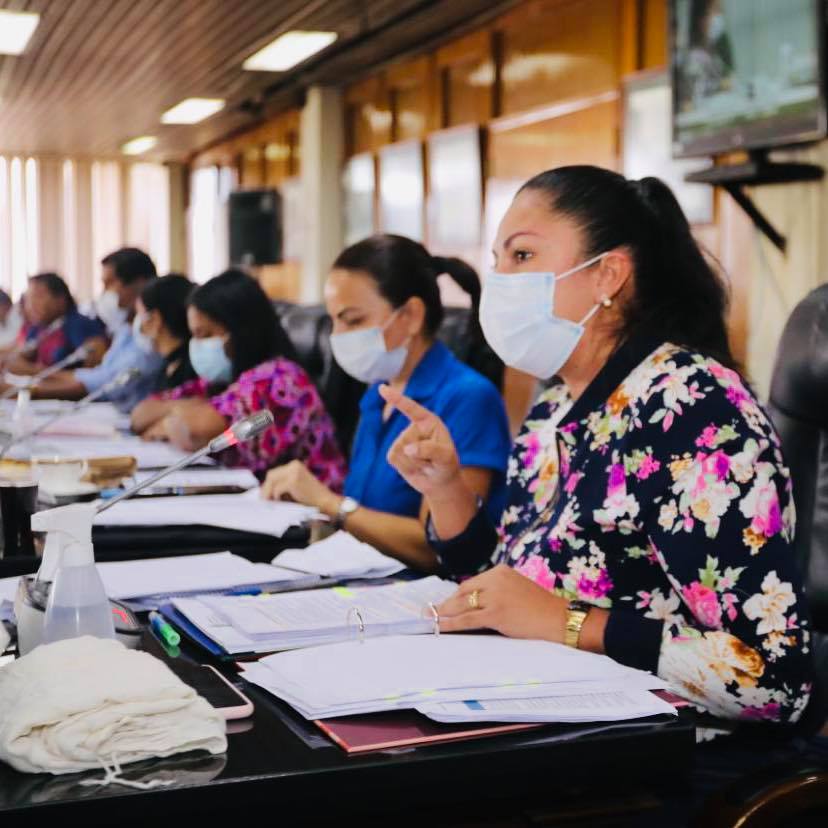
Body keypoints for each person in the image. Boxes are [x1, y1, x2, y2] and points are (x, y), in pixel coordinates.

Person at [381, 165, 814, 727]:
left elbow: (772, 681)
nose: (500, 281)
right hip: (541, 713)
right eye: (497, 260)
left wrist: (570, 623)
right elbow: (511, 589)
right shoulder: (553, 407)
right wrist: (446, 490)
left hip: (667, 745)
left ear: (607, 275)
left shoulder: (690, 407)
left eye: (522, 256)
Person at [261, 235, 511, 571]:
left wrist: (328, 501)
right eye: (333, 320)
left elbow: (438, 548)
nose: (337, 335)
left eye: (353, 320)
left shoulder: (469, 397)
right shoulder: (377, 394)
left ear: (411, 315)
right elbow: (364, 510)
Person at [131, 269, 345, 486]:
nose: (196, 344)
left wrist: (174, 415)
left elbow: (196, 429)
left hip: (310, 504)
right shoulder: (221, 381)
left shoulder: (281, 379)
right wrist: (181, 410)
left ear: (239, 330)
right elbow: (140, 416)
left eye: (204, 334)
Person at [26, 248, 162, 410]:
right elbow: (102, 374)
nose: (104, 292)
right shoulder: (126, 329)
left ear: (140, 284)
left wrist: (31, 387)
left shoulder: (151, 336)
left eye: (110, 283)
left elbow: (105, 384)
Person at [5, 273, 104, 374]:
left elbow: (92, 375)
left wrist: (32, 370)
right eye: (28, 299)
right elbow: (22, 353)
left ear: (60, 299)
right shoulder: (39, 327)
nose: (31, 305)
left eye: (38, 297)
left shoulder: (79, 325)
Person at [133, 274, 197, 392]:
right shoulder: (168, 366)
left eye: (140, 315)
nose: (139, 325)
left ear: (155, 319)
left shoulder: (190, 371)